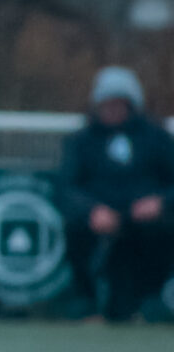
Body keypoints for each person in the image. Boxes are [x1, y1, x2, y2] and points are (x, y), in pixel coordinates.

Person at [54, 66, 174, 322]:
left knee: (163, 229)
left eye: (119, 104)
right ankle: (85, 302)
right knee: (75, 229)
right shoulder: (80, 142)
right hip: (97, 219)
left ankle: (150, 301)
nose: (112, 110)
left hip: (146, 222)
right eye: (107, 104)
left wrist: (161, 202)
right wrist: (91, 211)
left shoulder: (158, 139)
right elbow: (66, 187)